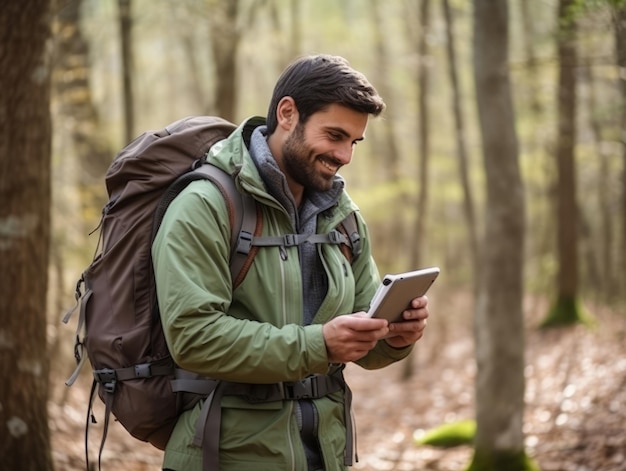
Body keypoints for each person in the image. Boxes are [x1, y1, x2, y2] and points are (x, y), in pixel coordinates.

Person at [151, 54, 430, 471]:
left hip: (327, 453)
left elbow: (363, 337)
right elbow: (193, 336)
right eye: (334, 135)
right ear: (287, 113)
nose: (345, 155)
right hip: (225, 456)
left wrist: (395, 337)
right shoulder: (206, 205)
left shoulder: (343, 217)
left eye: (353, 141)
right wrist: (318, 345)